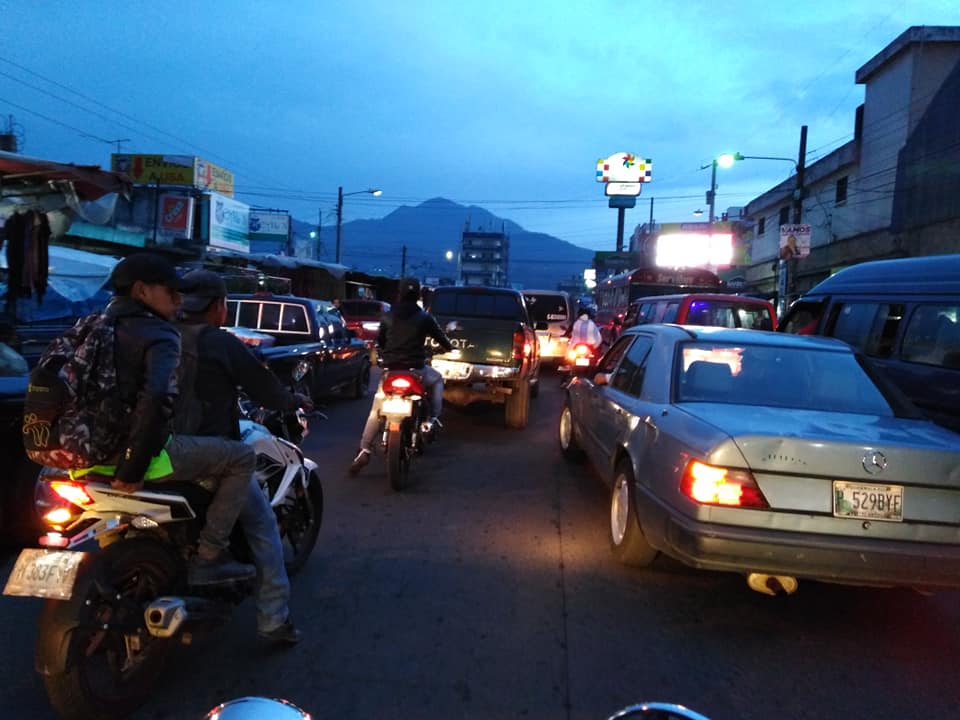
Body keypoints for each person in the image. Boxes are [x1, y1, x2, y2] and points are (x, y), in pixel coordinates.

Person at [99, 253, 257, 587]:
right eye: (171, 291)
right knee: (244, 458)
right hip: (139, 456)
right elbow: (156, 400)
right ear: (141, 291)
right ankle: (209, 557)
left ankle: (114, 552)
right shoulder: (160, 334)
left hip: (89, 454)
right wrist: (133, 467)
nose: (178, 299)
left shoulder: (92, 326)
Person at [177, 269, 313, 644]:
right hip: (204, 457)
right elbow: (264, 387)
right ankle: (273, 618)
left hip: (148, 454)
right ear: (219, 307)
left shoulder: (158, 334)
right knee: (263, 525)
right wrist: (293, 400)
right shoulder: (220, 343)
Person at [349, 277, 453, 475]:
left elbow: (380, 341)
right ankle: (432, 419)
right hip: (416, 370)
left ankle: (364, 450)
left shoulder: (387, 316)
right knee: (438, 379)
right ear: (418, 295)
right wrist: (448, 347)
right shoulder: (424, 318)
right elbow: (443, 340)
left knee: (375, 410)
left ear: (400, 293)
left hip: (391, 371)